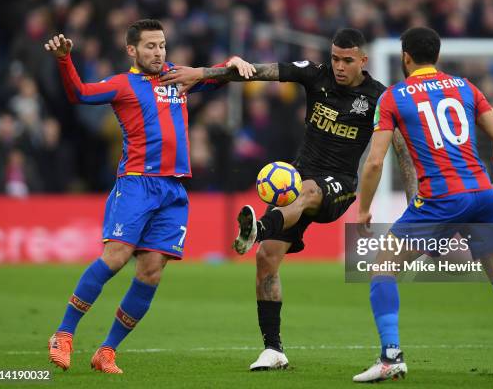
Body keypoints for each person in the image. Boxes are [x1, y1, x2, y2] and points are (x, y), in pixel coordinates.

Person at [161, 28, 418, 371]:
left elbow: (403, 153)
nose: (339, 66)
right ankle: (273, 349)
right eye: (335, 58)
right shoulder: (315, 75)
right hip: (296, 182)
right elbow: (256, 71)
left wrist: (416, 200)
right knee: (267, 257)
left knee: (308, 192)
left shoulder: (378, 98)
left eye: (347, 60)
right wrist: (202, 73)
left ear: (363, 60)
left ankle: (259, 228)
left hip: (338, 187)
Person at [44, 19, 253, 374]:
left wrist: (234, 62)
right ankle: (63, 333)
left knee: (152, 270)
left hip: (173, 189)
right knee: (116, 256)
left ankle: (107, 351)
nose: (158, 53)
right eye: (150, 47)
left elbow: (216, 76)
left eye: (162, 46)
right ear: (132, 50)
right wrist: (65, 60)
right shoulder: (122, 84)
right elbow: (79, 93)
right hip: (137, 184)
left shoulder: (178, 76)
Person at [353, 26, 493, 382]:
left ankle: (391, 356)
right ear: (436, 56)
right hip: (481, 193)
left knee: (383, 267)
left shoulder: (393, 97)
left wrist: (363, 208)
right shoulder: (465, 87)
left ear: (405, 57)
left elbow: (375, 162)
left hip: (440, 197)